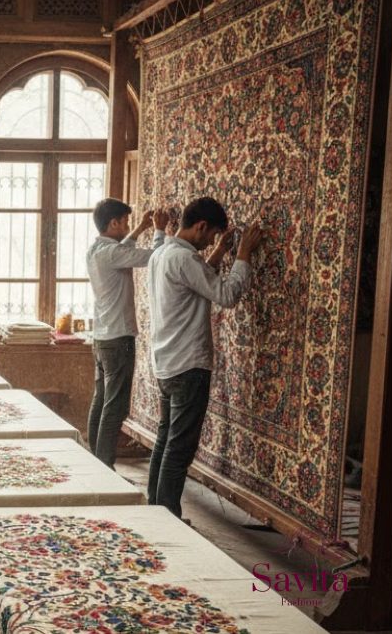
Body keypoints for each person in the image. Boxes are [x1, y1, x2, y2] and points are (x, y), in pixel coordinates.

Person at [146, 197, 264, 518]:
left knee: (165, 439)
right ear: (200, 226)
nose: (211, 241)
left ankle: (154, 511)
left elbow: (195, 281)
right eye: (211, 235)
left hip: (167, 363)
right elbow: (225, 295)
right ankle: (167, 517)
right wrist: (243, 254)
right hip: (188, 366)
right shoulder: (186, 260)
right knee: (179, 448)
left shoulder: (162, 254)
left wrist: (221, 251)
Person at [85, 198, 169, 469]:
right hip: (118, 338)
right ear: (113, 223)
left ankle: (97, 463)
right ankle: (105, 467)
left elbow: (122, 249)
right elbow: (154, 257)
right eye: (126, 222)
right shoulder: (111, 253)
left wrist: (140, 229)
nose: (128, 225)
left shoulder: (97, 249)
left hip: (101, 337)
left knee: (101, 401)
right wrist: (158, 230)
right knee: (115, 406)